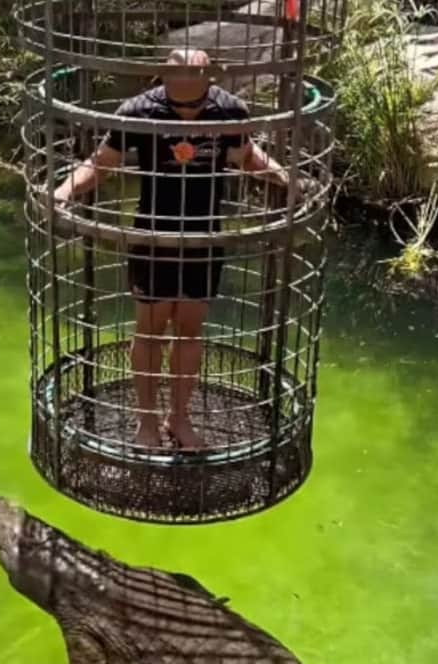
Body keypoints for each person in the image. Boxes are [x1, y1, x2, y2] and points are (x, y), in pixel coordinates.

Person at [51, 48, 311, 451]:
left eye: (194, 75)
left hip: (204, 236)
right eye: (177, 75)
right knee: (150, 329)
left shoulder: (229, 110)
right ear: (164, 76)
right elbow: (102, 162)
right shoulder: (139, 110)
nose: (185, 82)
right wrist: (65, 190)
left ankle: (180, 418)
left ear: (209, 76)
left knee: (189, 329)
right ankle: (147, 422)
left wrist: (287, 180)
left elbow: (245, 156)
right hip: (153, 235)